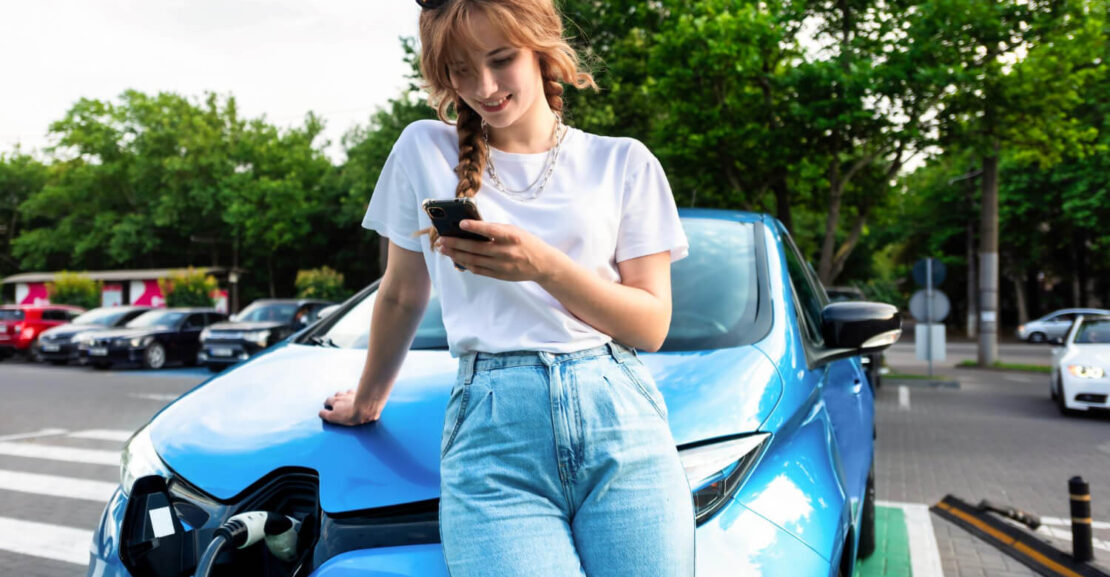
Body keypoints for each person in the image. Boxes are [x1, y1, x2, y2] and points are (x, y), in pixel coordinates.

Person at [318, 0, 695, 574]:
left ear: (541, 44)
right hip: (492, 434)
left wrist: (544, 266)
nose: (484, 87)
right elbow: (401, 292)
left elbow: (651, 324)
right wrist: (368, 400)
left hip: (622, 420)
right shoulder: (422, 148)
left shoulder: (624, 162)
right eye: (461, 71)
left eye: (500, 60)